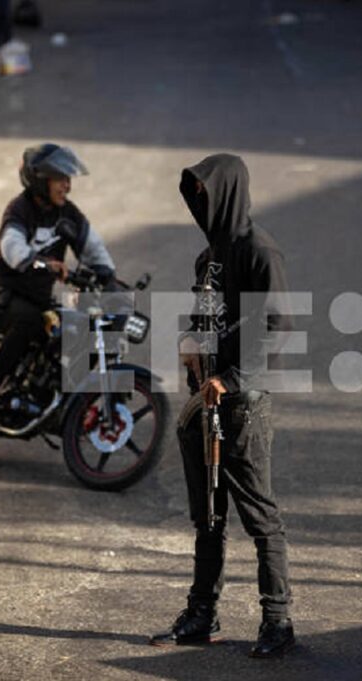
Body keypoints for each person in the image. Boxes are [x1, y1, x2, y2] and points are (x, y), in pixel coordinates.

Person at [149, 154, 295, 658]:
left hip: (243, 404)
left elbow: (276, 327)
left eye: (205, 194)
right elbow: (203, 319)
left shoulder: (260, 252)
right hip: (204, 402)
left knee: (260, 519)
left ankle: (277, 621)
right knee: (208, 517)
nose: (199, 204)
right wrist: (189, 343)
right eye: (194, 196)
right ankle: (201, 615)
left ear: (227, 193)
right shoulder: (208, 258)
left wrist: (230, 379)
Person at [0, 143, 116, 411]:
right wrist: (43, 263)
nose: (67, 186)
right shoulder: (20, 209)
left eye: (68, 179)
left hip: (37, 299)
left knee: (71, 328)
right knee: (30, 320)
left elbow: (93, 247)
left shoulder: (68, 214)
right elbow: (12, 248)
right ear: (39, 180)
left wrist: (107, 275)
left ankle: (41, 395)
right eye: (60, 179)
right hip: (1, 295)